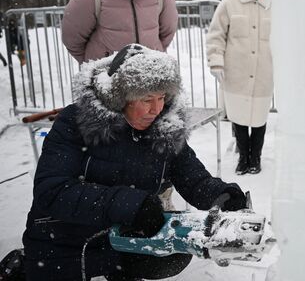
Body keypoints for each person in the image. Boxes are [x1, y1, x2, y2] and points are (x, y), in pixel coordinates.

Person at [0, 44, 247, 280]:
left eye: (162, 97)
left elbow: (192, 177)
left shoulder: (164, 128)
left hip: (121, 233)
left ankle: (119, 266)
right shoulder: (75, 122)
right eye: (147, 99)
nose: (156, 108)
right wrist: (130, 204)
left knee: (173, 255)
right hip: (66, 236)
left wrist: (222, 196)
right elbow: (51, 191)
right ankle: (23, 267)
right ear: (120, 98)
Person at [206, 0, 273, 175]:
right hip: (237, 73)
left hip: (264, 74)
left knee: (260, 120)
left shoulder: (275, 5)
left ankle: (256, 158)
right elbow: (216, 34)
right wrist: (216, 62)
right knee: (240, 120)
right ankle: (243, 158)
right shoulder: (230, 3)